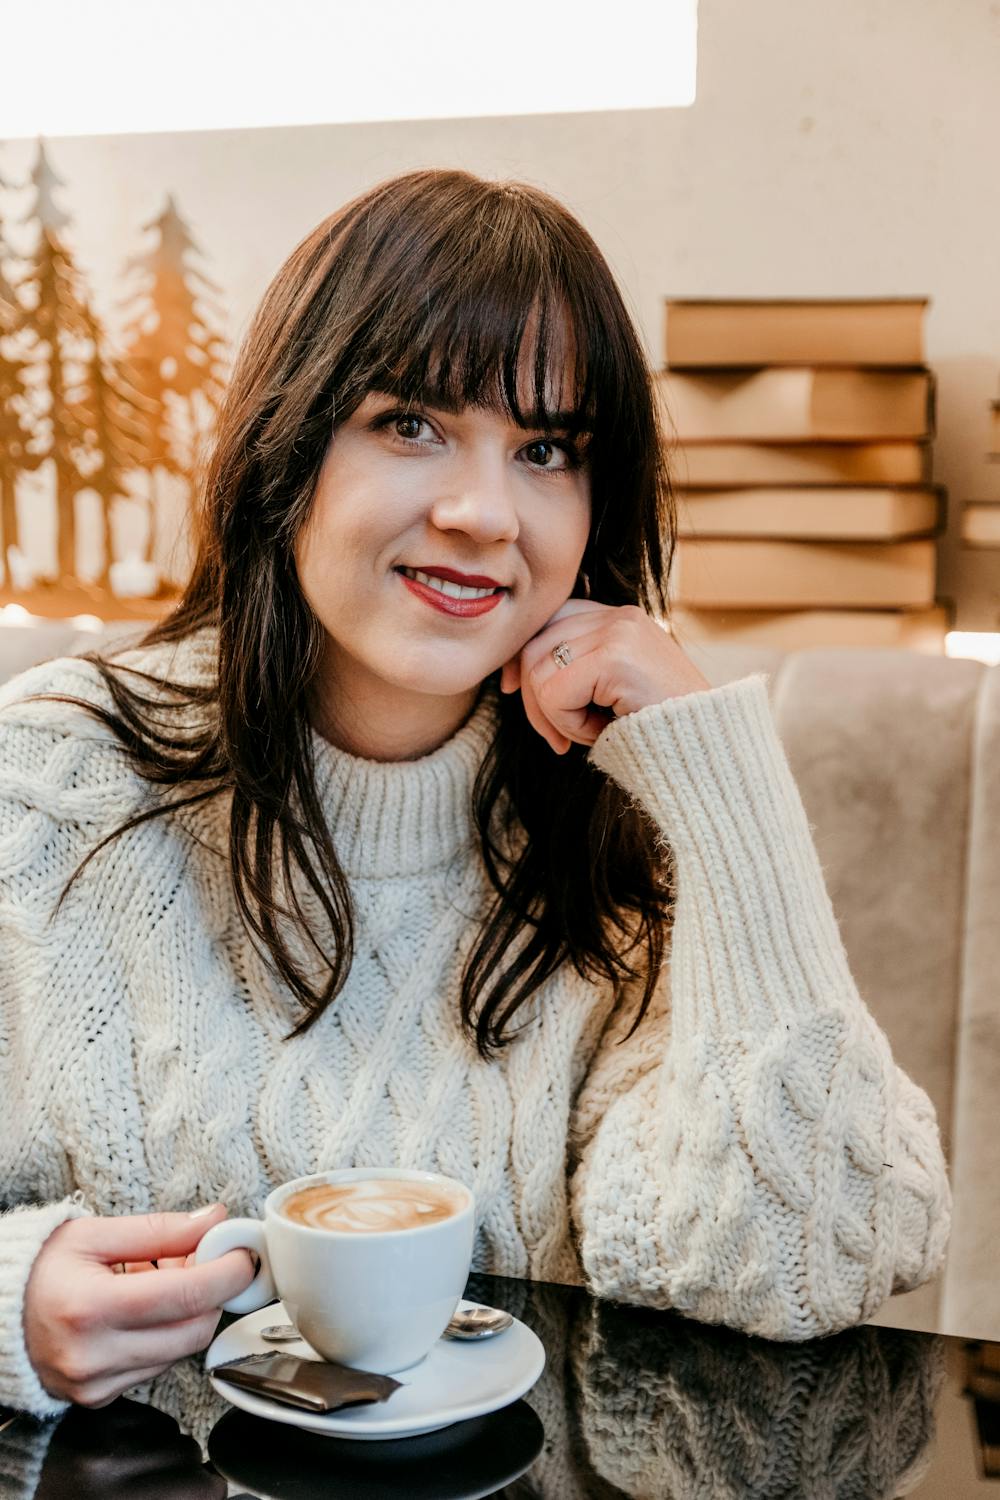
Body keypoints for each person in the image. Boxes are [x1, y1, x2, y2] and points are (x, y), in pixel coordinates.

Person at [0, 168, 951, 1419]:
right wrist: (10, 1303)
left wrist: (727, 790)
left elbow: (799, 1266)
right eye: (410, 423)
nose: (482, 512)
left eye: (547, 449)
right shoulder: (57, 780)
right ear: (289, 442)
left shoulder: (615, 846)